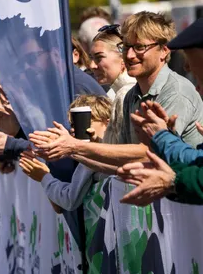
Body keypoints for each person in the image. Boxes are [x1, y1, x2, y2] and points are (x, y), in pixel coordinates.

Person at [32, 11, 203, 170]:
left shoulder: (176, 91)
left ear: (164, 51)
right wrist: (72, 148)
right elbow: (120, 163)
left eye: (140, 47)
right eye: (126, 47)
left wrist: (76, 146)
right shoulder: (131, 94)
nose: (129, 55)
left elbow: (149, 153)